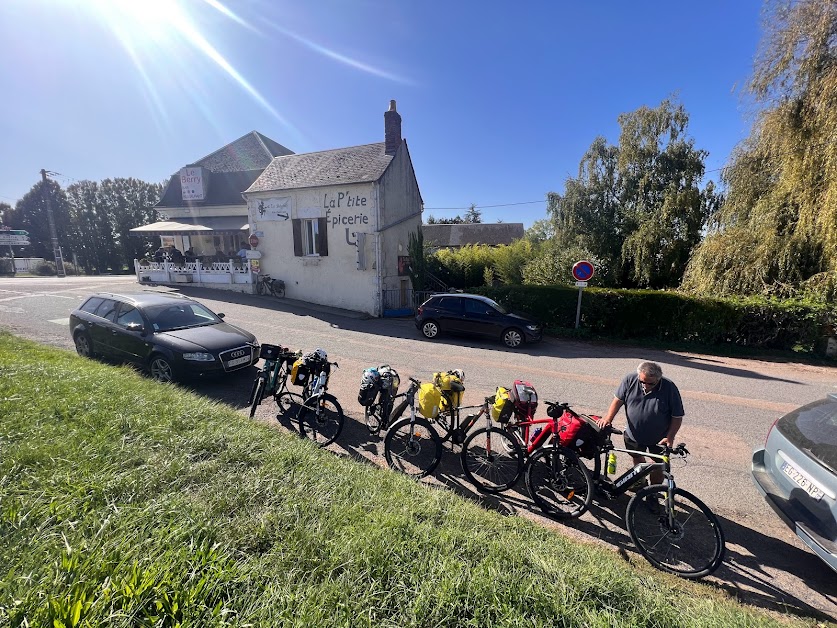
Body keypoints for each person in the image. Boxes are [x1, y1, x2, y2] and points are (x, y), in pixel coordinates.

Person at [596, 361, 684, 501]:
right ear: (639, 376)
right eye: (643, 382)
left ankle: (652, 492)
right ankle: (640, 482)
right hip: (633, 433)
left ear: (658, 379)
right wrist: (608, 419)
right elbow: (618, 400)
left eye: (651, 383)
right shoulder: (630, 380)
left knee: (657, 465)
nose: (646, 386)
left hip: (659, 438)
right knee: (637, 458)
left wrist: (670, 437)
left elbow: (677, 417)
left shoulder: (669, 388)